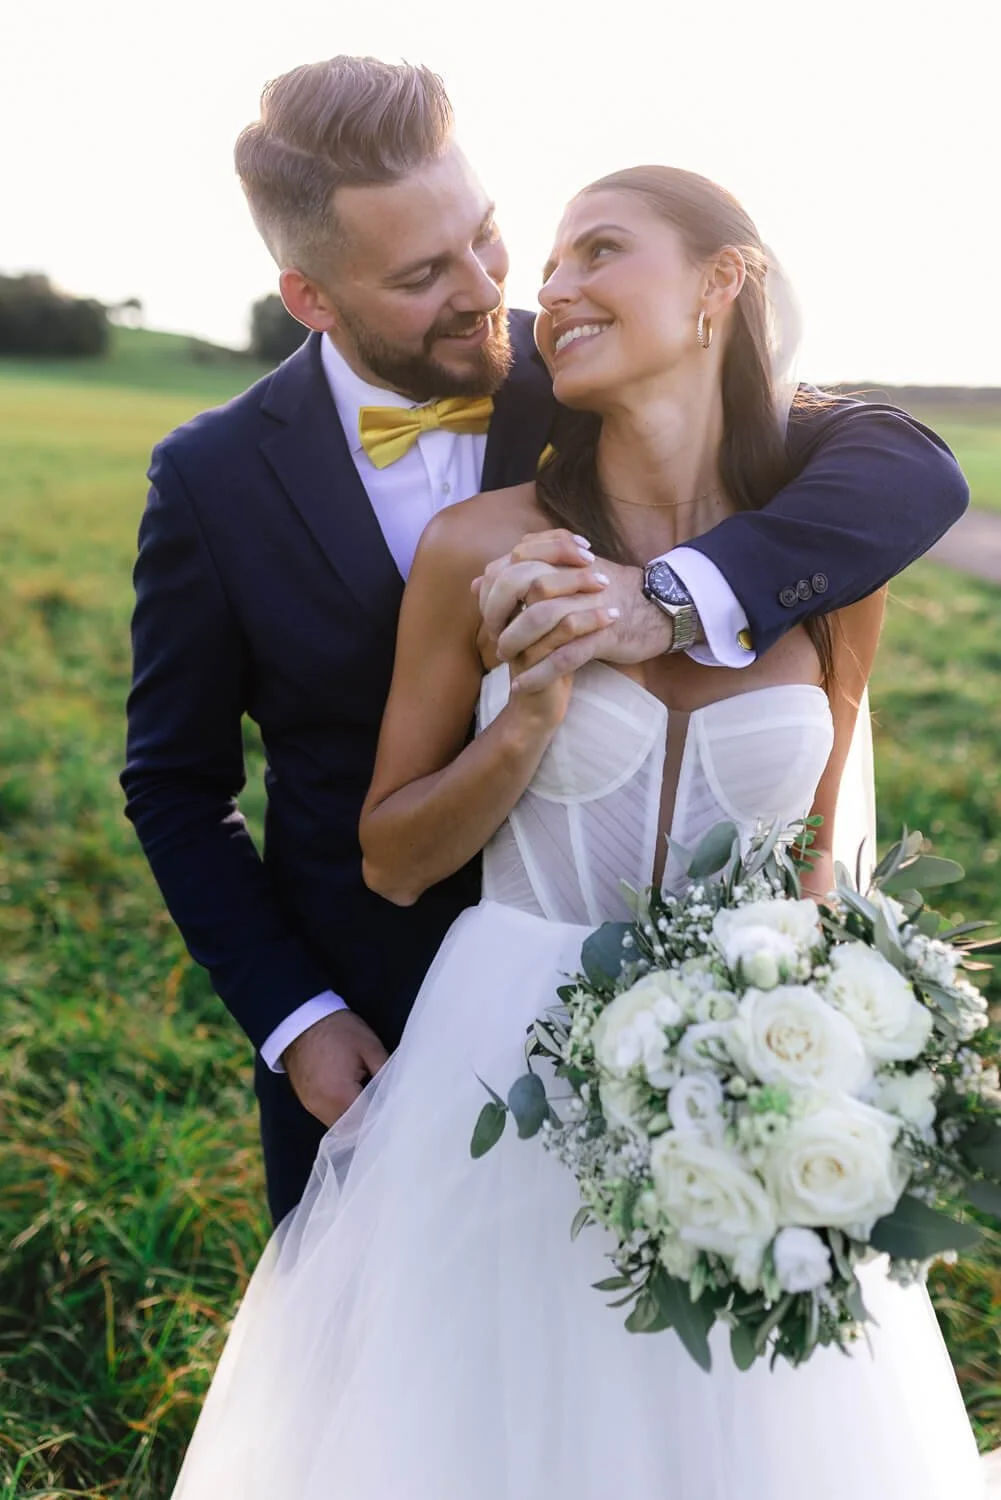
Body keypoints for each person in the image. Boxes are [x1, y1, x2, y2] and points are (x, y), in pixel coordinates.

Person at [166, 164, 987, 1500]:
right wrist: (526, 717)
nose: (549, 288)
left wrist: (838, 1056)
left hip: (751, 1083)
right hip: (499, 1069)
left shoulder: (823, 567)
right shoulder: (478, 546)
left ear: (724, 282)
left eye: (597, 249)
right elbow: (391, 855)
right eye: (546, 262)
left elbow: (824, 853)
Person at [122, 56, 969, 1228]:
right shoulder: (210, 480)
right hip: (372, 1020)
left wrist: (666, 597)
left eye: (485, 237)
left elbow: (907, 465)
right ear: (311, 296)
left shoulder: (591, 361)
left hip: (683, 1034)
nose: (487, 291)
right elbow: (174, 786)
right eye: (424, 275)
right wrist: (297, 1018)